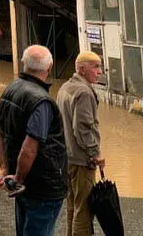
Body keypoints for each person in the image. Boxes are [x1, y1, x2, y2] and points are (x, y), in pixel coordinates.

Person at [0, 45, 67, 236]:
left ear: (23, 63)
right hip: (42, 186)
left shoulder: (10, 89)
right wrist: (18, 178)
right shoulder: (42, 101)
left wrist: (5, 169)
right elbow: (30, 148)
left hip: (22, 183)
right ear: (49, 67)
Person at [56, 51, 104, 236]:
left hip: (67, 158)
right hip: (82, 160)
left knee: (72, 205)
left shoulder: (65, 87)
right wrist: (95, 154)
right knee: (83, 209)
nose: (99, 72)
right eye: (95, 67)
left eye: (100, 67)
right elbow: (83, 128)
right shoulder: (84, 92)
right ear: (82, 69)